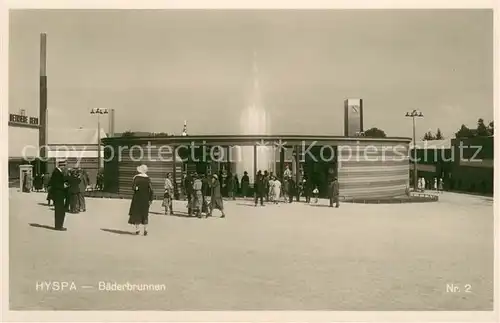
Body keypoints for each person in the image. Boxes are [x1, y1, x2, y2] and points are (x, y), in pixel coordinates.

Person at [128, 164, 154, 235]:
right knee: (145, 214)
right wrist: (150, 199)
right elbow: (151, 190)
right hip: (145, 199)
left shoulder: (136, 178)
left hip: (137, 198)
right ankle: (145, 230)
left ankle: (137, 230)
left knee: (136, 213)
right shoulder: (148, 178)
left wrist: (137, 188)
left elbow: (133, 187)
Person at [48, 160, 69, 231]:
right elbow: (55, 184)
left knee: (60, 211)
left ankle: (59, 225)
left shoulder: (57, 172)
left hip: (59, 194)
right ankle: (58, 226)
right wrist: (64, 186)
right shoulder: (57, 173)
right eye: (64, 166)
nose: (65, 168)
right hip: (58, 194)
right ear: (61, 166)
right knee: (59, 211)